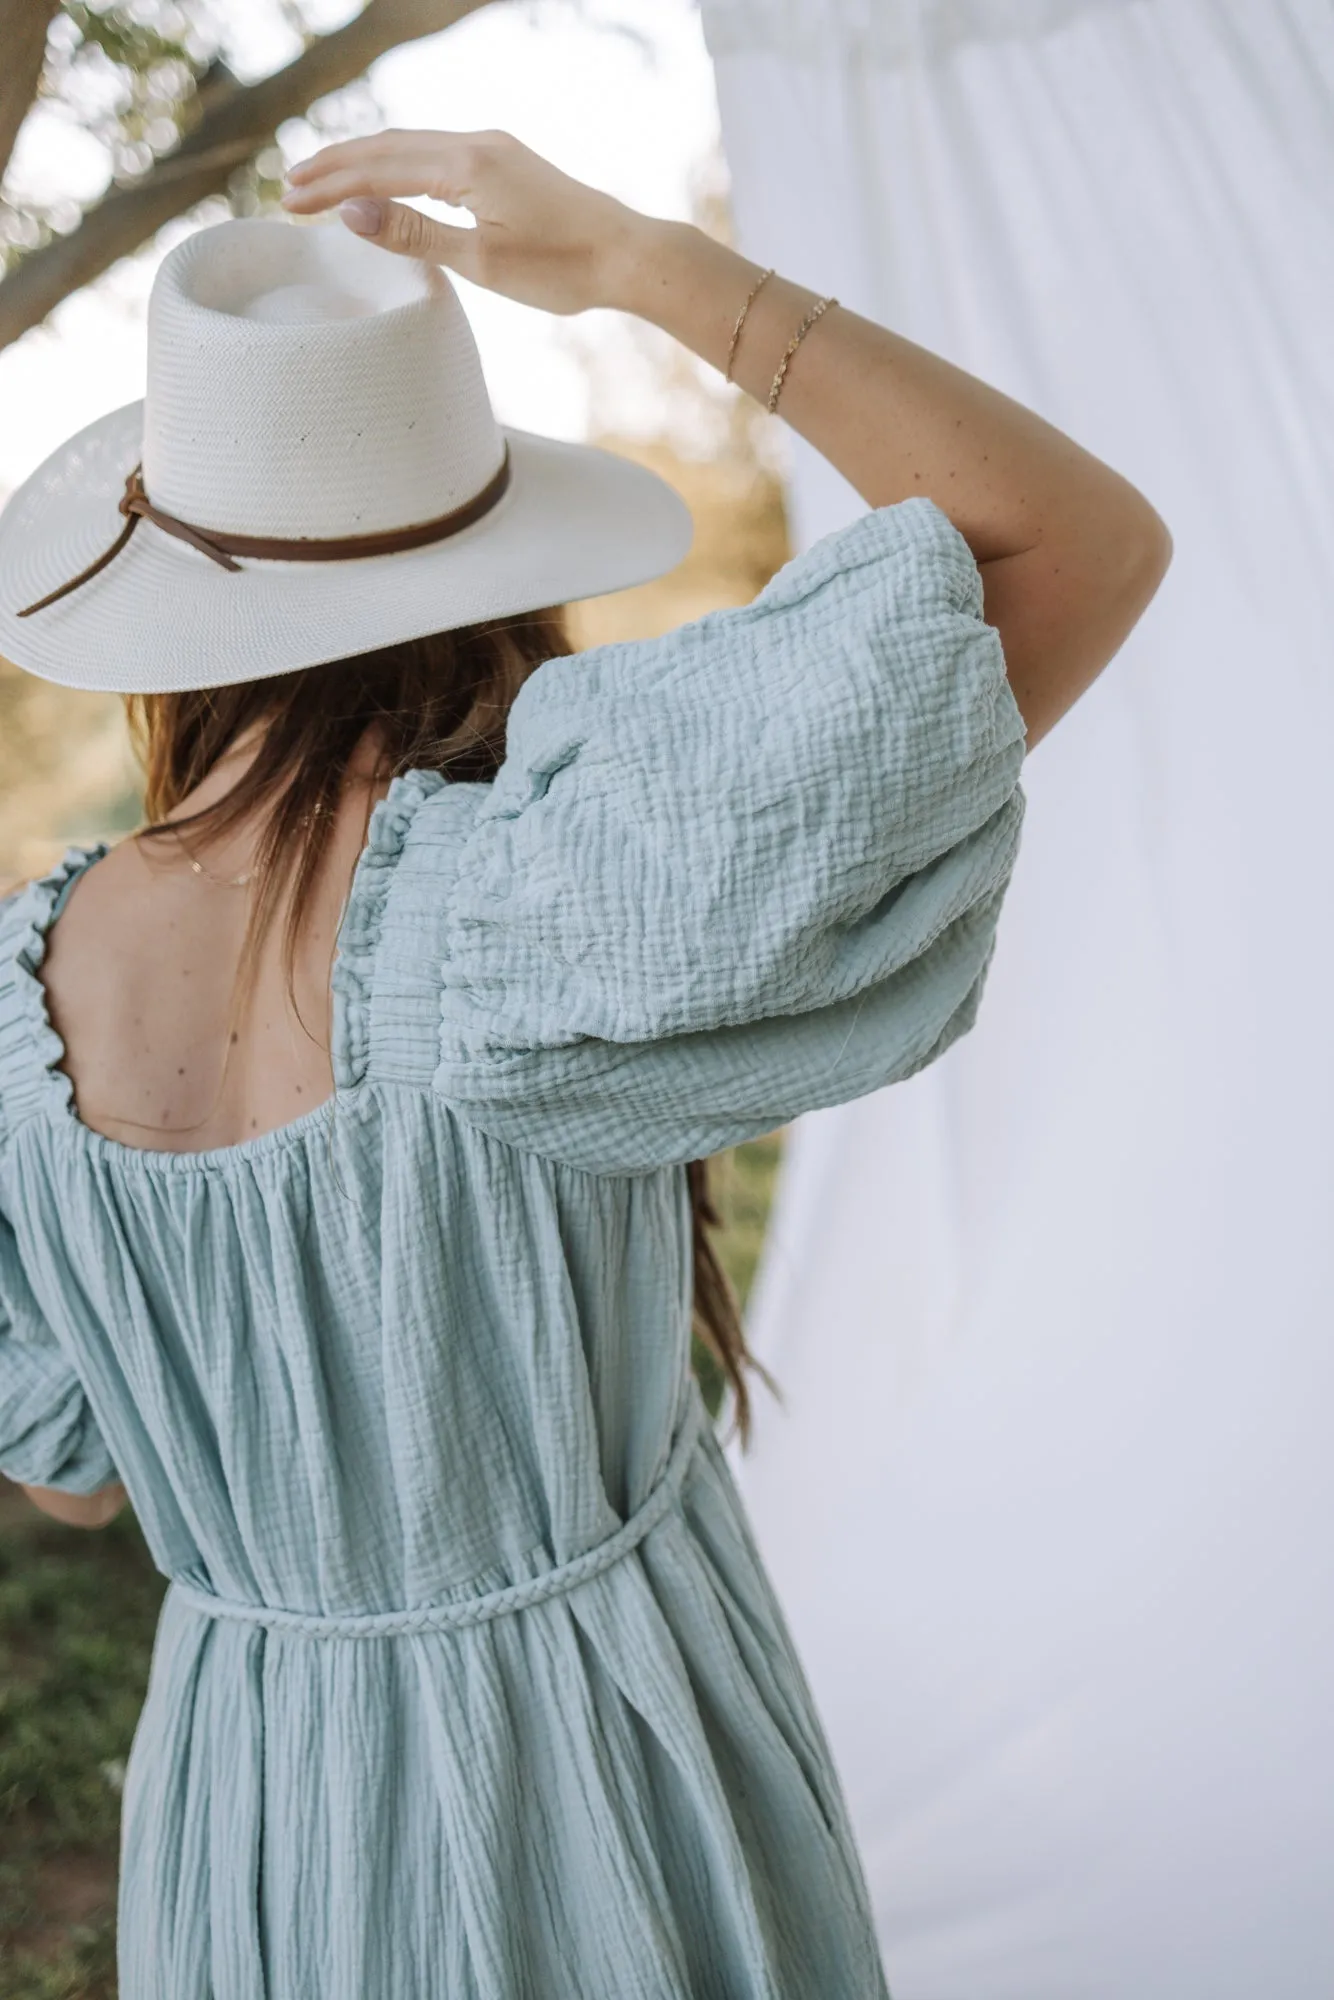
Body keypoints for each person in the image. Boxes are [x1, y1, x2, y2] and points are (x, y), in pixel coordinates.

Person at [0, 126, 1169, 1998]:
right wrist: (643, 264)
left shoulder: (21, 989)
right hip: (597, 1763)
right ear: (485, 560)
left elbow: (74, 1470)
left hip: (254, 1787)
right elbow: (1072, 540)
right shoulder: (540, 904)